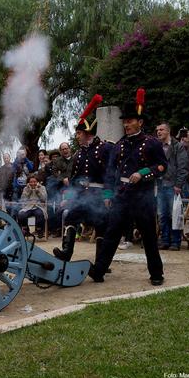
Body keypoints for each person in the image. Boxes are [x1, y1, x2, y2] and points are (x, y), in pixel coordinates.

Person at [89, 88, 167, 286]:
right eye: (124, 121)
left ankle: (156, 274)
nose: (126, 124)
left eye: (130, 121)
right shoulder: (120, 145)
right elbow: (110, 171)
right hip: (121, 196)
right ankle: (98, 270)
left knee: (148, 237)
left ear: (140, 122)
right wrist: (107, 193)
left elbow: (161, 166)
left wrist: (142, 173)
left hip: (143, 197)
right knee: (111, 234)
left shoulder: (152, 143)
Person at [53, 94, 113, 263]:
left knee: (101, 226)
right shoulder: (79, 154)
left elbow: (110, 174)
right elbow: (74, 180)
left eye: (79, 133)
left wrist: (108, 196)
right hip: (82, 195)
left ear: (87, 133)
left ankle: (101, 263)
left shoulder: (104, 148)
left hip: (99, 195)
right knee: (71, 215)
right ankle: (66, 252)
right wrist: (68, 197)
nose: (76, 136)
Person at [155, 123, 188, 251]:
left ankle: (175, 242)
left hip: (173, 185)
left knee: (173, 214)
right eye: (157, 130)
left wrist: (179, 185)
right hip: (159, 184)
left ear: (168, 131)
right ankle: (165, 240)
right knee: (162, 215)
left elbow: (183, 167)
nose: (158, 132)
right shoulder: (156, 146)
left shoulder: (177, 146)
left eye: (161, 129)